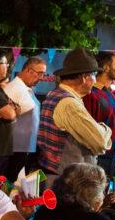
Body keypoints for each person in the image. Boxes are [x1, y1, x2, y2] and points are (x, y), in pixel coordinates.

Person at [37, 48, 111, 185]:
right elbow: (100, 142)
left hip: (55, 175)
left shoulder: (54, 94)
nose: (95, 81)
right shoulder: (69, 104)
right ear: (84, 77)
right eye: (94, 74)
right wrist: (106, 129)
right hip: (67, 181)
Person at [83, 52, 115, 182]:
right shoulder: (92, 95)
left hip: (112, 156)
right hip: (100, 157)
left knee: (104, 196)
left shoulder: (110, 94)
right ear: (106, 67)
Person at [4, 57, 46, 179]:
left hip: (26, 146)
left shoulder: (27, 88)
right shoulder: (13, 88)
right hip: (16, 148)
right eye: (40, 73)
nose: (42, 78)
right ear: (28, 70)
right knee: (14, 182)